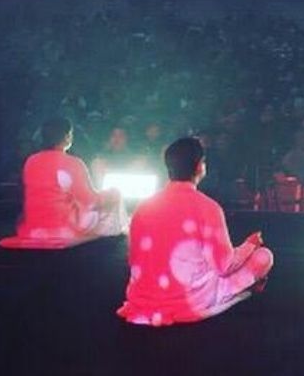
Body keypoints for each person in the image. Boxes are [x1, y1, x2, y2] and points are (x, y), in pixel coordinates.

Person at [118, 137, 275, 326]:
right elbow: (223, 267)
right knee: (263, 256)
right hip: (191, 298)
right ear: (201, 166)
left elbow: (133, 259)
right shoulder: (208, 208)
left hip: (145, 296)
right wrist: (249, 245)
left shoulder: (143, 207)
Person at [0, 116, 127, 249]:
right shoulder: (72, 163)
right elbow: (89, 201)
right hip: (63, 227)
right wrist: (109, 194)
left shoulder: (31, 161)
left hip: (33, 225)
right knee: (114, 195)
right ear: (66, 137)